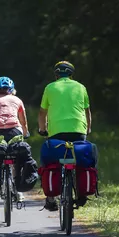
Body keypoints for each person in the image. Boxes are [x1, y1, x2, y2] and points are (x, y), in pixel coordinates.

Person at [38, 61, 92, 211]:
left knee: (49, 160)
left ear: (56, 75)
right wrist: (87, 128)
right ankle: (82, 193)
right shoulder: (81, 87)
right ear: (71, 74)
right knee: (81, 158)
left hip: (56, 132)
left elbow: (43, 112)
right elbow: (87, 111)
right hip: (79, 130)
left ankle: (50, 199)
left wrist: (42, 129)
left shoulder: (50, 87)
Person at [0, 76, 30, 201]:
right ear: (12, 89)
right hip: (15, 130)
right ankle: (19, 189)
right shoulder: (17, 100)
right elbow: (23, 121)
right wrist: (25, 133)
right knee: (18, 155)